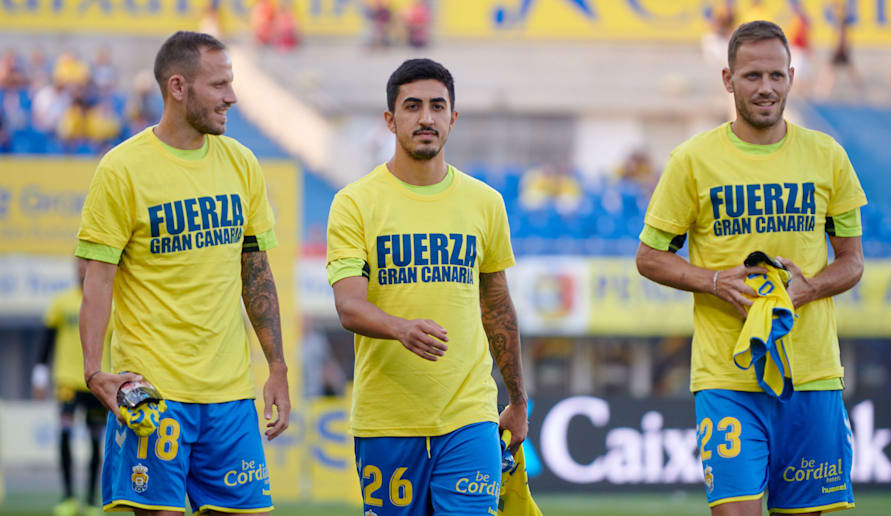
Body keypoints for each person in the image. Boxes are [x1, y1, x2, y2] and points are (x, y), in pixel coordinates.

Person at [635, 21, 865, 516]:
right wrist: (714, 281)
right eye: (753, 75)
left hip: (812, 376)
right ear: (727, 79)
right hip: (727, 377)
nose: (766, 88)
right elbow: (649, 256)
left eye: (777, 76)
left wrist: (809, 288)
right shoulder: (692, 161)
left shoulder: (828, 156)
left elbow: (852, 262)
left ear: (792, 76)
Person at [76, 31, 290, 515]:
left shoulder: (242, 164)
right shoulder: (121, 170)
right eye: (218, 85)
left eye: (230, 83)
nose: (231, 97)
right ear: (178, 87)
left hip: (231, 396)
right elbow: (98, 279)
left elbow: (255, 271)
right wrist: (93, 371)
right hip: (154, 395)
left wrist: (276, 366)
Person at [326, 58, 528, 515]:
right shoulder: (354, 203)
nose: (426, 118)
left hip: (470, 417)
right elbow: (348, 307)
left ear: (453, 118)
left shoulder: (485, 203)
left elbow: (497, 307)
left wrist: (517, 399)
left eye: (438, 107)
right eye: (412, 106)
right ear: (390, 119)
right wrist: (400, 328)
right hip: (386, 421)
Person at [31, 258, 110, 516]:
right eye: (78, 266)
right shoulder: (61, 302)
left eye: (86, 265)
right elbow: (47, 339)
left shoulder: (110, 302)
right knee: (65, 434)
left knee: (96, 441)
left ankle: (89, 500)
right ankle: (67, 497)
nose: (82, 270)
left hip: (97, 382)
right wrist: (40, 373)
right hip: (67, 381)